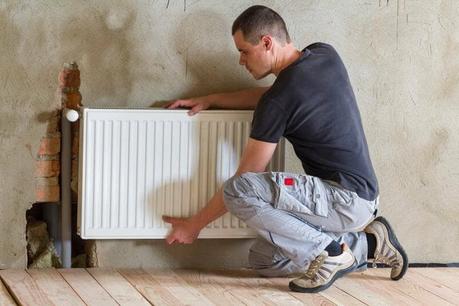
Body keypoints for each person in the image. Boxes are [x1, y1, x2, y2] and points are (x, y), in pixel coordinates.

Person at [163, 5, 408, 293]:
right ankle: (370, 243)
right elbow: (276, 96)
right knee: (265, 260)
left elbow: (247, 177)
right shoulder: (324, 55)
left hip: (341, 199)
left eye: (244, 51)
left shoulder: (278, 101)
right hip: (363, 198)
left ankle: (330, 253)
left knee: (237, 189)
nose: (241, 61)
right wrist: (212, 98)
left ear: (266, 42)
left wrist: (194, 225)